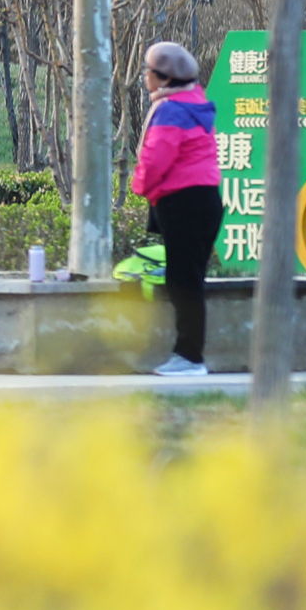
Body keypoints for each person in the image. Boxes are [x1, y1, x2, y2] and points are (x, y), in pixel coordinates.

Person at [131, 39, 225, 377]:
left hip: (183, 202)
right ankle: (187, 354)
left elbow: (156, 159)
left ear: (165, 78)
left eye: (148, 71)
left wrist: (140, 186)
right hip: (204, 200)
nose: (145, 77)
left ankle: (189, 357)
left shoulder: (171, 110)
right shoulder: (196, 103)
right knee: (189, 278)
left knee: (184, 282)